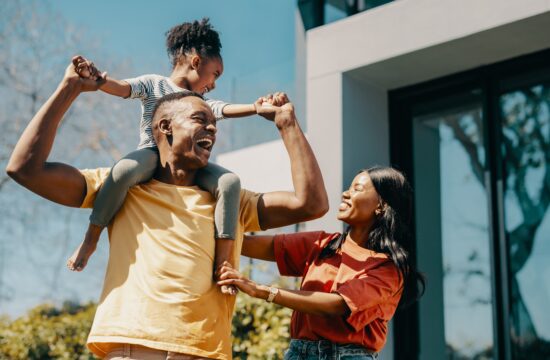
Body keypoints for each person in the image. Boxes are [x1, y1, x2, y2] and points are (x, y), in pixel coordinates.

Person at [6, 58, 328, 359]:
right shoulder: (122, 188)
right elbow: (24, 169)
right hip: (134, 348)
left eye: (214, 123)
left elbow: (310, 204)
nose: (212, 129)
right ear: (164, 127)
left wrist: (287, 125)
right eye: (200, 119)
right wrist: (69, 88)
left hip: (208, 352)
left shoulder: (230, 200)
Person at [67, 19, 260, 293]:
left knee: (229, 182)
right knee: (122, 171)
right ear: (195, 62)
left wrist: (255, 107)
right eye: (215, 73)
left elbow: (222, 108)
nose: (215, 84)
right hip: (153, 155)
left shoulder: (199, 102)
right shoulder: (154, 84)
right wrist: (98, 80)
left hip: (189, 163)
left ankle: (224, 264)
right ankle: (90, 239)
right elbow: (122, 88)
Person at [217, 167, 426, 359]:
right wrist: (207, 225)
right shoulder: (324, 244)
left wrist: (262, 291)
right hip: (298, 353)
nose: (345, 194)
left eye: (357, 189)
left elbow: (337, 304)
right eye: (348, 188)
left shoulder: (388, 269)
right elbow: (247, 244)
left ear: (381, 206)